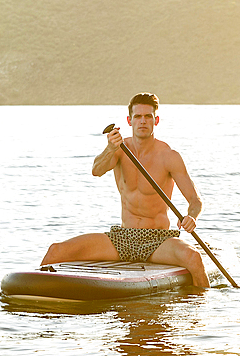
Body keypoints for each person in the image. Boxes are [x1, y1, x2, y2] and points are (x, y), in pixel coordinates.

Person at [40, 93, 209, 287]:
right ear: (129, 120)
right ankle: (36, 302)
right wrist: (110, 148)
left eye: (148, 116)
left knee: (193, 257)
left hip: (157, 240)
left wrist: (191, 217)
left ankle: (201, 309)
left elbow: (195, 201)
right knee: (55, 251)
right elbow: (96, 170)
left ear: (156, 120)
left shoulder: (169, 156)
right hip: (123, 236)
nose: (143, 121)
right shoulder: (119, 149)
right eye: (138, 117)